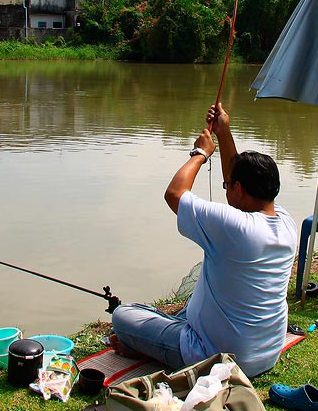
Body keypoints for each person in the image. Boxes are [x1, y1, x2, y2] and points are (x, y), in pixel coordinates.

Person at [110, 102, 298, 378]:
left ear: (240, 190)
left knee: (124, 317)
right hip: (265, 353)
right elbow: (236, 185)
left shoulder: (235, 227)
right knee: (192, 304)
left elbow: (175, 194)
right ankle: (158, 339)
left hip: (219, 358)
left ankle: (152, 348)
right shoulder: (284, 221)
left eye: (228, 185)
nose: (225, 186)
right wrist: (224, 133)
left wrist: (201, 153)